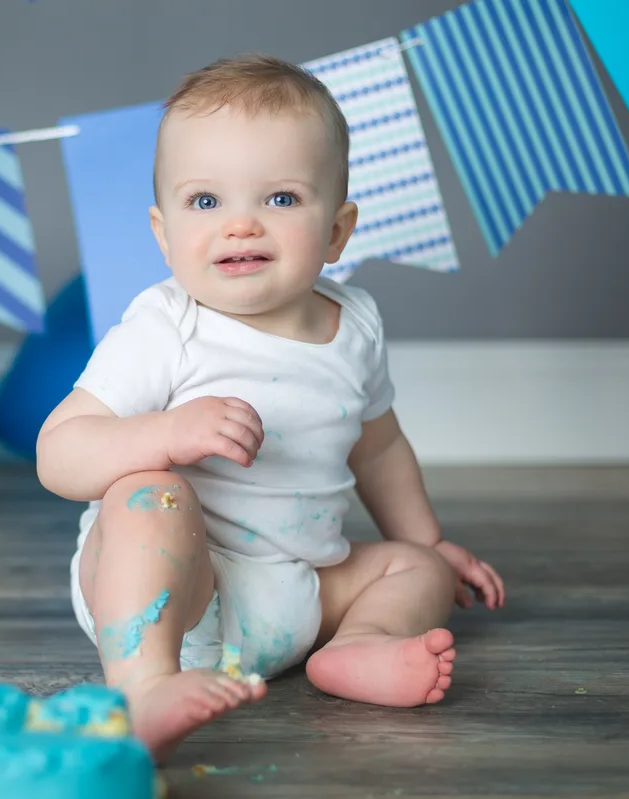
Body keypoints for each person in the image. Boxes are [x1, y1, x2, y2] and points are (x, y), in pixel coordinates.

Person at [35, 52, 506, 762]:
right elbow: (58, 453)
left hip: (297, 595)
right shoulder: (167, 329)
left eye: (280, 199)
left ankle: (357, 647)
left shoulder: (355, 325)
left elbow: (378, 446)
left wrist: (429, 538)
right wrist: (165, 433)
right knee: (146, 494)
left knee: (416, 567)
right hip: (171, 592)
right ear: (163, 234)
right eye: (206, 201)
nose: (241, 225)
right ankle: (142, 685)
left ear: (338, 230)